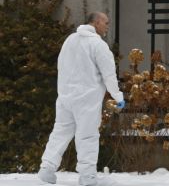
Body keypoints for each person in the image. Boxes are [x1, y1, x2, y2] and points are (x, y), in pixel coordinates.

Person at [38, 12, 125, 186]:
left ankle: (46, 168)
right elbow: (109, 75)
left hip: (65, 98)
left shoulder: (70, 40)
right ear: (97, 22)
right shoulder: (98, 45)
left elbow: (61, 66)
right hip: (87, 99)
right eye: (106, 22)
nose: (108, 26)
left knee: (60, 133)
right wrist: (118, 96)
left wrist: (63, 91)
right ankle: (88, 177)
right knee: (88, 136)